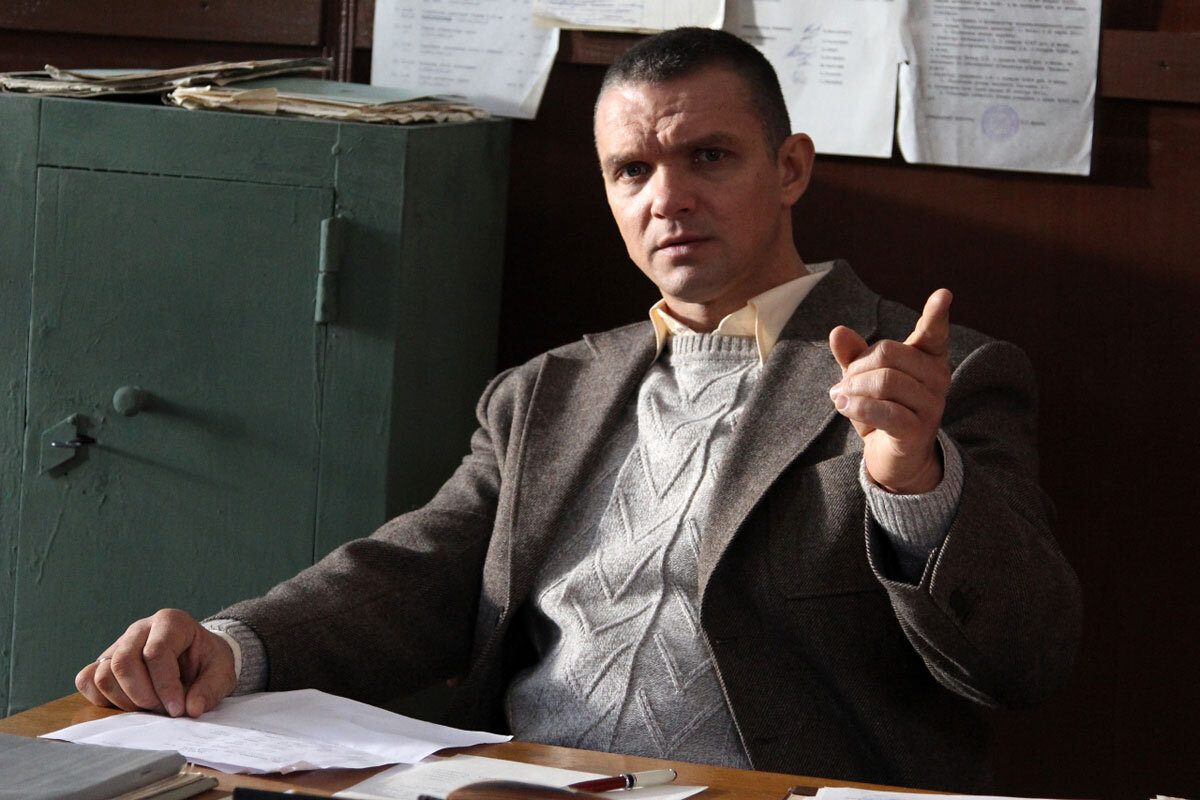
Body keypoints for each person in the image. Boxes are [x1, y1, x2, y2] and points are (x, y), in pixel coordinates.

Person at [75, 27, 1081, 792]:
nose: (667, 198)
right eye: (632, 170)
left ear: (790, 170)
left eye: (709, 157)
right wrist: (234, 645)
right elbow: (423, 570)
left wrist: (914, 482)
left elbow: (1027, 658)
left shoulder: (936, 376)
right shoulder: (547, 389)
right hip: (525, 781)